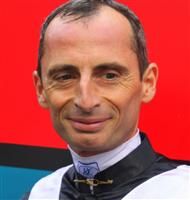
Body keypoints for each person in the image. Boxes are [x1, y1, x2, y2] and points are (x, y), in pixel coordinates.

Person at [25, 0, 190, 199]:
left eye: (109, 75)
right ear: (41, 88)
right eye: (65, 76)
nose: (86, 101)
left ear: (147, 83)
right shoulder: (39, 194)